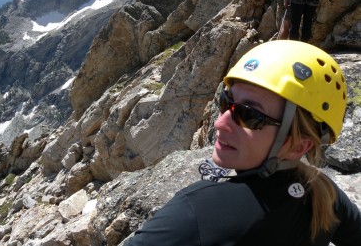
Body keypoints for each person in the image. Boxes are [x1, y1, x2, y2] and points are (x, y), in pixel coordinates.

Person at [125, 40, 361, 245]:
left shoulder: (198, 212)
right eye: (226, 102)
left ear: (300, 146)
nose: (220, 123)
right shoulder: (324, 195)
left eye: (249, 115)